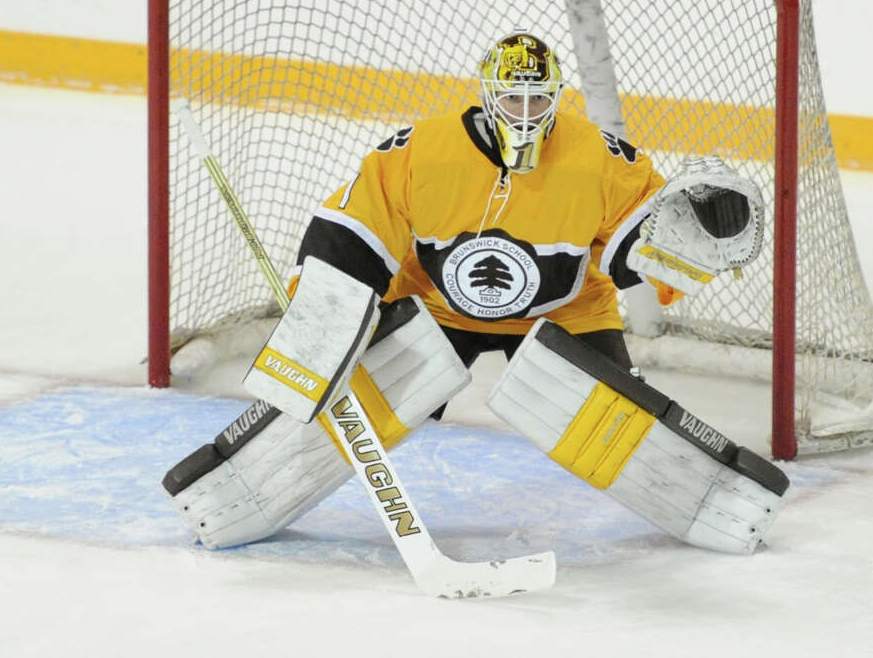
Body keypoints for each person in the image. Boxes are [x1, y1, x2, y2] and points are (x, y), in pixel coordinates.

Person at [163, 32, 785, 557]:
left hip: (565, 310)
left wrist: (701, 232)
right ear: (487, 94)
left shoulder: (597, 158)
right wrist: (322, 313)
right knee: (362, 395)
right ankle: (238, 492)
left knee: (610, 416)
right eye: (512, 97)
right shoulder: (423, 151)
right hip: (436, 306)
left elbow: (646, 246)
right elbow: (355, 229)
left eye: (538, 98)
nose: (525, 111)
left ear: (556, 97)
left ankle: (716, 502)